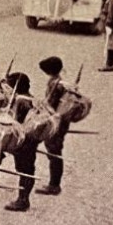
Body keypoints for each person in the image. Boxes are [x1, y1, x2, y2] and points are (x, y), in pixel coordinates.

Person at [3, 72, 39, 213]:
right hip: (32, 139)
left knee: (25, 170)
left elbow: (14, 122)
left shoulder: (20, 101)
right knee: (28, 168)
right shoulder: (31, 99)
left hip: (24, 140)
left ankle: (23, 200)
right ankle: (24, 198)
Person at [37, 56, 70, 197]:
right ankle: (54, 183)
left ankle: (54, 185)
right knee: (55, 152)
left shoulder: (55, 84)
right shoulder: (61, 81)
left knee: (54, 153)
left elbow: (50, 104)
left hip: (55, 122)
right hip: (61, 121)